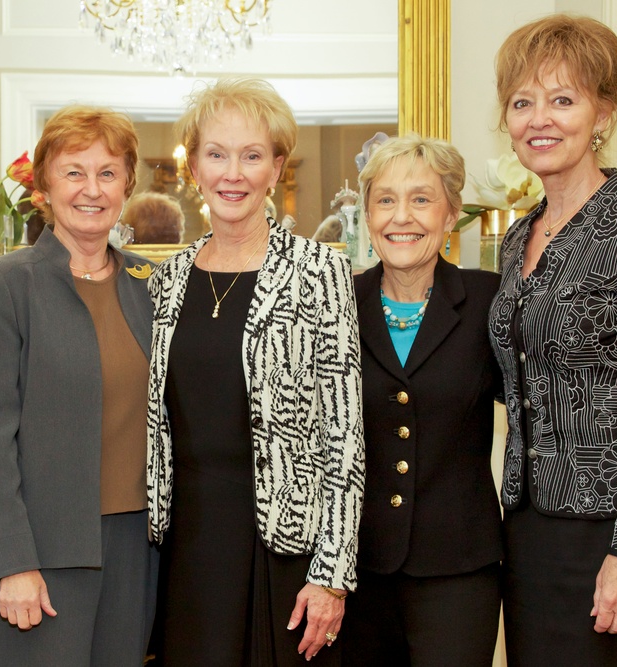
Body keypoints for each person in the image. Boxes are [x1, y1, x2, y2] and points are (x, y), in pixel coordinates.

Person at [488, 15, 617, 664]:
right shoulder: (518, 239)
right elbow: (524, 378)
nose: (538, 119)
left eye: (562, 99)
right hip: (529, 536)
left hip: (616, 533)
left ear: (602, 113)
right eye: (522, 102)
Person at [146, 77, 365, 665]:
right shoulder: (168, 280)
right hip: (188, 547)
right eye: (216, 154)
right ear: (193, 166)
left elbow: (343, 436)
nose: (232, 173)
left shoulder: (319, 270)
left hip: (286, 550)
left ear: (276, 168)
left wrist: (333, 573)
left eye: (251, 155)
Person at [0, 105, 158, 665]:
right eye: (74, 171)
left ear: (126, 184)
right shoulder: (6, 284)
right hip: (42, 556)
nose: (91, 189)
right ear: (44, 184)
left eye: (107, 172)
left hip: (138, 549)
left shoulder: (151, 283)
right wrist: (11, 564)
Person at [340, 134, 503, 666]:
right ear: (367, 216)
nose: (400, 216)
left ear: (451, 214)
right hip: (354, 572)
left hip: (459, 570)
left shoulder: (488, 299)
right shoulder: (338, 302)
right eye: (385, 200)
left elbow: (550, 404)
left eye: (421, 199)